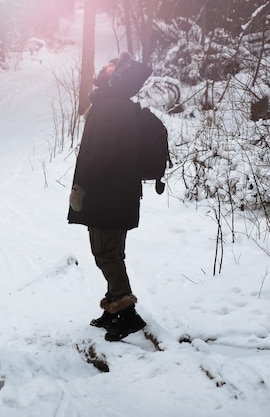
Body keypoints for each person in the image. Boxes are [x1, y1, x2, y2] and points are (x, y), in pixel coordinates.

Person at [68, 52, 151, 342]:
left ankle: (127, 314)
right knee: (110, 251)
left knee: (106, 254)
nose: (104, 69)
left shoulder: (112, 107)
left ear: (117, 77)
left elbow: (101, 154)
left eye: (110, 67)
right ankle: (113, 308)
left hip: (109, 194)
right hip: (116, 193)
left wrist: (82, 187)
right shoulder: (113, 105)